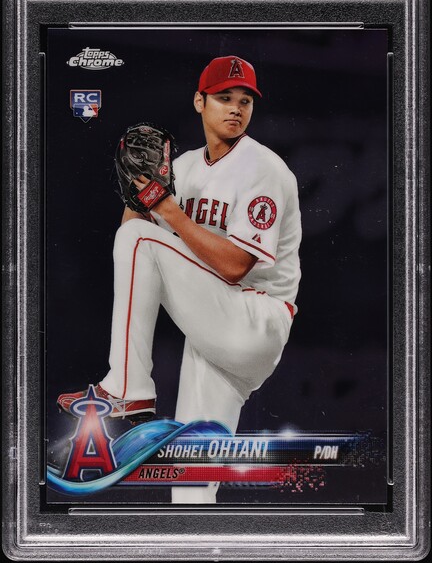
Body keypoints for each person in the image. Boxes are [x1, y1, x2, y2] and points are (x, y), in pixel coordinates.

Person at [57, 55, 302, 503]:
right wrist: (139, 191)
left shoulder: (263, 168)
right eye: (224, 97)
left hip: (255, 316)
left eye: (245, 100)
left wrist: (166, 209)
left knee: (138, 239)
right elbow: (133, 235)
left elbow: (235, 266)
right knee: (191, 479)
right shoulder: (185, 167)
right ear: (199, 102)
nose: (236, 108)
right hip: (216, 328)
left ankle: (128, 385)